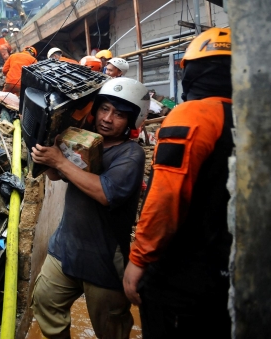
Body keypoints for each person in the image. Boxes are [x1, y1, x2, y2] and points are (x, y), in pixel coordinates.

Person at [123, 27, 234, 339]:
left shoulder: (194, 116)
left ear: (193, 71)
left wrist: (139, 258)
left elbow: (166, 198)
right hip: (236, 272)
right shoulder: (255, 118)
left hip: (185, 276)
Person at [31, 77, 149, 339]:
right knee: (45, 302)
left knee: (110, 329)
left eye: (119, 114)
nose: (108, 118)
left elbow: (105, 193)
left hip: (104, 257)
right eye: (104, 109)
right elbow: (56, 176)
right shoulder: (84, 139)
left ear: (132, 121)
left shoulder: (130, 154)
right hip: (65, 247)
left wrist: (60, 162)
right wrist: (47, 157)